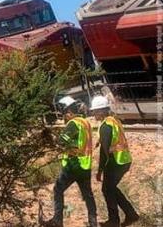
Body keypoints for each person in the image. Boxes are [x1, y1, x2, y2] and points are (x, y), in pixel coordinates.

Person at [43, 96, 97, 227]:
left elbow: (61, 141)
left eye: (63, 114)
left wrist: (50, 137)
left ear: (68, 112)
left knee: (58, 190)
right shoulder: (85, 122)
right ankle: (93, 223)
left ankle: (57, 221)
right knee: (88, 195)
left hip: (73, 165)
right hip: (85, 165)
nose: (63, 117)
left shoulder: (73, 124)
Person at [91, 96, 140, 227]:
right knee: (110, 188)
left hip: (116, 162)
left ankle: (114, 221)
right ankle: (131, 215)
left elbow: (104, 152)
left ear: (101, 111)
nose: (93, 113)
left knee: (107, 189)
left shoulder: (106, 126)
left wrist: (100, 170)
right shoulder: (113, 121)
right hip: (124, 160)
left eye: (95, 111)